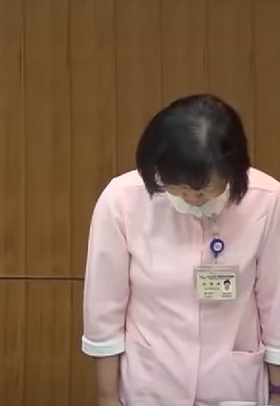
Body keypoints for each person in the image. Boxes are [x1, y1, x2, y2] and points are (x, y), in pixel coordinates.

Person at [82, 94, 280, 405]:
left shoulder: (267, 200)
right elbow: (104, 312)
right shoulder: (122, 200)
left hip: (232, 384)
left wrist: (277, 392)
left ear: (234, 170)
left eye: (205, 189)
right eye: (179, 186)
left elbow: (276, 304)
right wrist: (107, 398)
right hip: (151, 382)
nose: (191, 198)